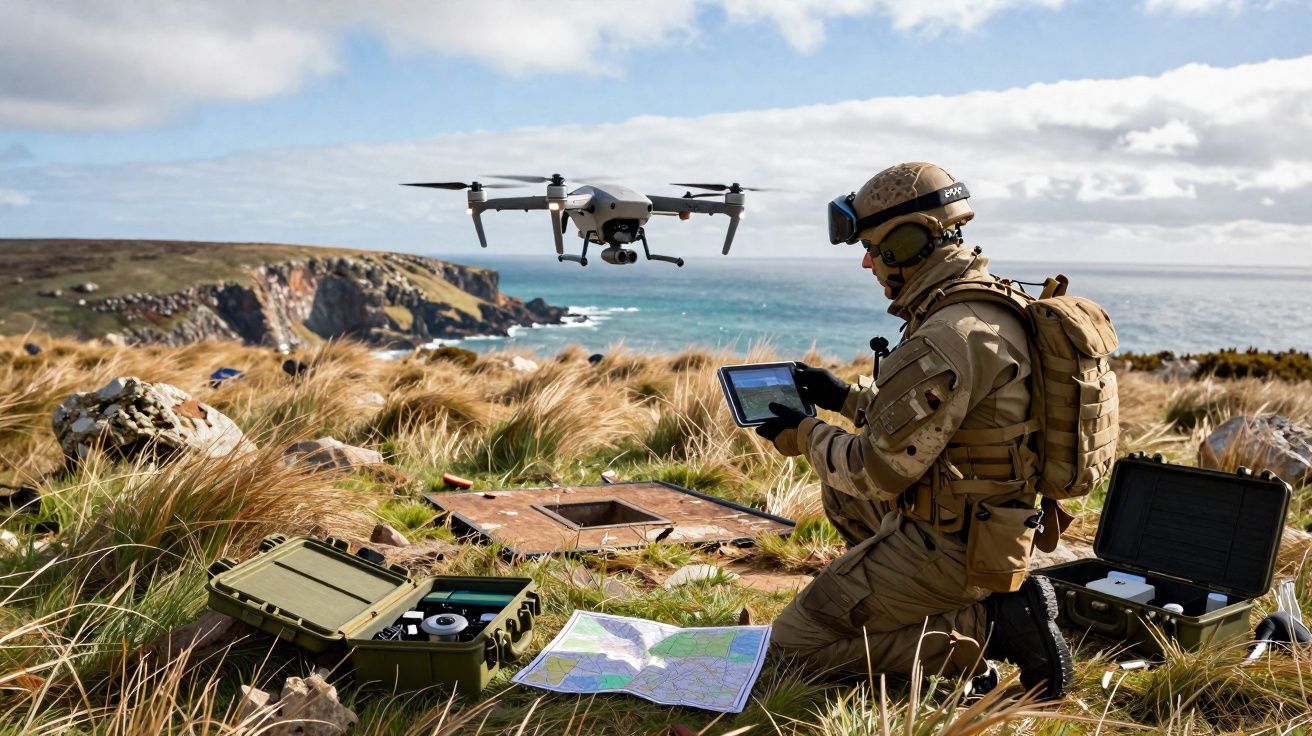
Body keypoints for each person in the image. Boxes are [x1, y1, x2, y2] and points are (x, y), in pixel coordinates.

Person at [757, 162, 1073, 699]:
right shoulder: (981, 303)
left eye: (873, 248)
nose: (866, 262)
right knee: (839, 496)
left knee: (791, 647)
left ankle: (989, 627)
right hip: (980, 516)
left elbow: (874, 471)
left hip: (955, 543)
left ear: (906, 243)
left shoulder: (949, 333)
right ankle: (937, 604)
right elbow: (950, 425)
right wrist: (842, 398)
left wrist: (803, 434)